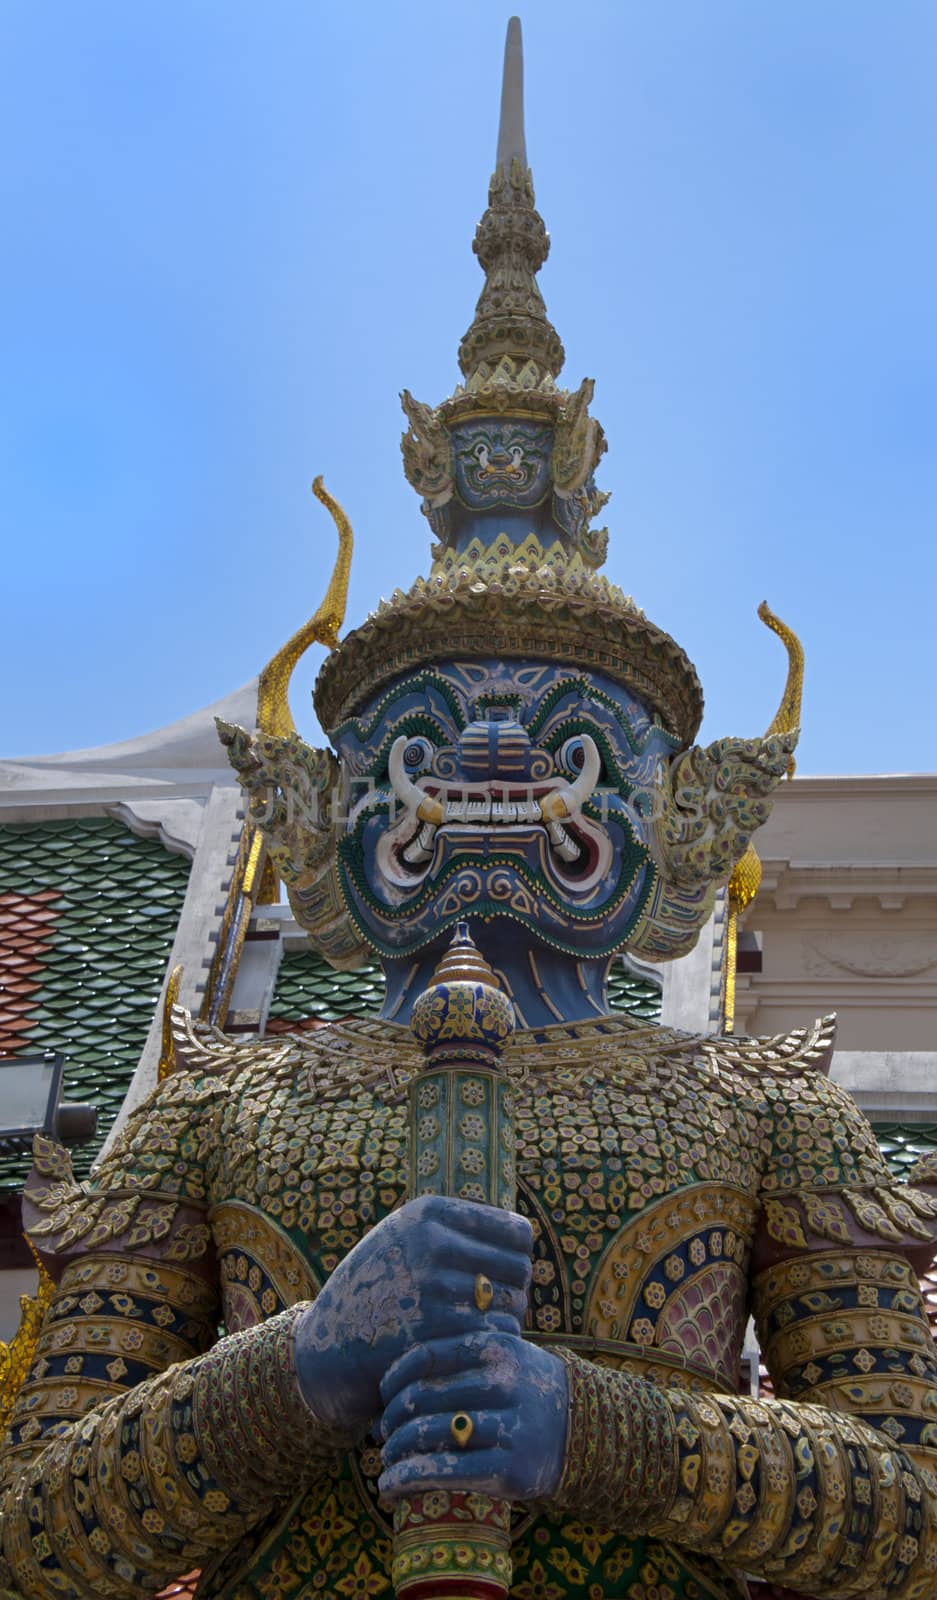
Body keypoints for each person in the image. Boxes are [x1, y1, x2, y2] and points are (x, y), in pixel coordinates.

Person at [3, 21, 936, 1600]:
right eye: (433, 727)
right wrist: (301, 1364)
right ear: (330, 800)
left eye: (561, 728)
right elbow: (36, 1538)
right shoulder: (216, 1106)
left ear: (677, 809)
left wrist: (597, 1425)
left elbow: (910, 1515)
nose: (493, 750)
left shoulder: (765, 1106)